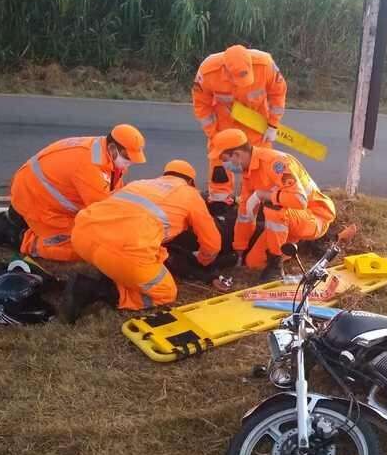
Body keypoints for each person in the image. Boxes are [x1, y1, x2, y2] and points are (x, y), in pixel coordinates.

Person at [63, 160, 221, 323]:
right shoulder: (190, 194)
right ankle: (95, 290)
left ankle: (112, 272)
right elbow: (212, 243)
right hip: (123, 249)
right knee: (166, 293)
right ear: (191, 182)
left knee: (122, 256)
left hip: (82, 237)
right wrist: (203, 260)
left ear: (165, 175)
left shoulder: (139, 184)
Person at [0, 125, 146, 262]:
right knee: (81, 246)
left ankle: (23, 222)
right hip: (35, 198)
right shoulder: (90, 167)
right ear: (112, 148)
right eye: (127, 157)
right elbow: (102, 213)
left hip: (37, 190)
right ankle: (14, 237)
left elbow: (114, 192)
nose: (130, 162)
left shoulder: (105, 153)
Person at [209, 129, 335, 281]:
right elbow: (245, 215)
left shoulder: (275, 163)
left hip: (316, 216)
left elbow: (300, 200)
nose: (225, 165)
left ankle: (276, 267)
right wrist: (239, 250)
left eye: (225, 159)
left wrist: (264, 195)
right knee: (254, 263)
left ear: (237, 154)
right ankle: (292, 247)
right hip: (290, 222)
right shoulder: (249, 173)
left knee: (272, 209)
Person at [192, 44, 287, 207]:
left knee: (262, 161)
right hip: (225, 122)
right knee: (219, 159)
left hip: (255, 121)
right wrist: (213, 134)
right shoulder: (208, 71)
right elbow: (201, 104)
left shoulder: (265, 65)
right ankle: (220, 200)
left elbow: (278, 93)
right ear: (225, 70)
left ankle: (261, 199)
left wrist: (273, 125)